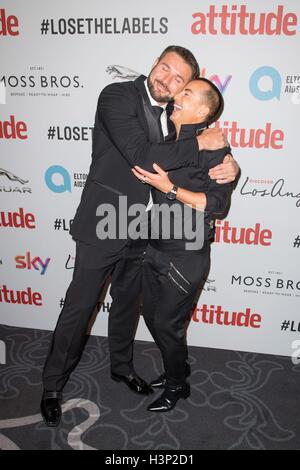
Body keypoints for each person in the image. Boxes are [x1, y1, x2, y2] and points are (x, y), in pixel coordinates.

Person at [40, 46, 239, 427]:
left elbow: (201, 161)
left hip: (143, 230)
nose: (168, 79)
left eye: (179, 79)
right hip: (104, 220)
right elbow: (141, 155)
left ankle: (121, 367)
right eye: (165, 68)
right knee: (80, 307)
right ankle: (52, 385)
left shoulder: (175, 115)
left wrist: (231, 165)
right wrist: (201, 144)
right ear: (154, 64)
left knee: (127, 304)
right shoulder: (118, 95)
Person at [132, 77, 233, 412]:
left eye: (186, 94)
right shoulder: (167, 136)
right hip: (156, 247)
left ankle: (178, 385)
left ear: (203, 110)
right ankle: (179, 366)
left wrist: (171, 188)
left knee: (166, 324)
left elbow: (218, 205)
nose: (177, 96)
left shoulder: (215, 146)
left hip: (187, 254)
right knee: (149, 314)